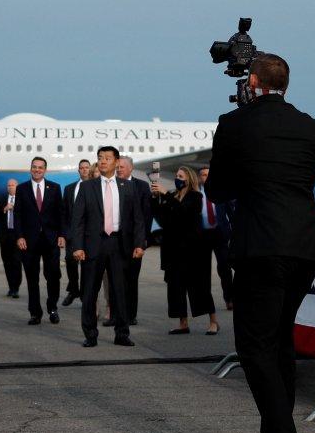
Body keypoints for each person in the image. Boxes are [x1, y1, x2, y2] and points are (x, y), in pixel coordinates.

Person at [205, 53, 315, 433]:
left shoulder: (234, 124)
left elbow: (219, 190)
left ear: (253, 81)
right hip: (305, 246)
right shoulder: (309, 126)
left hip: (261, 246)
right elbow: (301, 179)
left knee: (255, 348)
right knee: (279, 345)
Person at [70, 146, 146, 348]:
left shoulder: (128, 187)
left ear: (116, 161)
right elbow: (77, 220)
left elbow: (138, 219)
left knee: (120, 292)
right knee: (89, 292)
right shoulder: (88, 187)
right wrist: (77, 246)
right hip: (93, 245)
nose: (103, 161)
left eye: (107, 158)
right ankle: (90, 334)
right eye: (100, 158)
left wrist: (139, 243)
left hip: (120, 245)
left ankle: (122, 333)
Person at [151, 165, 219, 335]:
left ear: (188, 178)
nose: (177, 178)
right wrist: (156, 199)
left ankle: (213, 321)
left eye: (180, 176)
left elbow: (185, 213)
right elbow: (162, 218)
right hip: (173, 249)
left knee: (200, 286)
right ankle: (183, 323)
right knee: (176, 287)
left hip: (193, 249)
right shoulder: (173, 196)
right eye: (176, 175)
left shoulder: (195, 197)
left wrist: (167, 195)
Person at [13, 157, 65, 326]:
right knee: (32, 279)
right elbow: (18, 215)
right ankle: (35, 313)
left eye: (40, 168)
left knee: (53, 276)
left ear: (45, 170)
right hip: (29, 241)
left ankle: (52, 308)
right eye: (34, 167)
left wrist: (62, 235)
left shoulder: (55, 188)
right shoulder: (22, 189)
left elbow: (60, 214)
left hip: (50, 240)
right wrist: (19, 236)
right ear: (30, 169)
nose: (37, 170)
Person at [116, 156, 152, 326]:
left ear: (131, 168)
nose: (119, 169)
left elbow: (146, 215)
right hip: (114, 241)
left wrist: (142, 241)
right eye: (117, 167)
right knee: (117, 280)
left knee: (131, 280)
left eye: (122, 167)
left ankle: (130, 315)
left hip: (134, 242)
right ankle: (116, 315)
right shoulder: (111, 184)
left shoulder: (142, 187)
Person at [198, 164, 233, 310]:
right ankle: (203, 302)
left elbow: (231, 213)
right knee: (202, 270)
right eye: (204, 175)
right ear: (200, 177)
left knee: (224, 267)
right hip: (202, 235)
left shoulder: (221, 193)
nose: (206, 177)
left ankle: (229, 298)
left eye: (208, 174)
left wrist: (233, 232)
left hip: (219, 233)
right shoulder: (196, 193)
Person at [60, 159, 90, 307]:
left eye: (86, 168)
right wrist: (64, 234)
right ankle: (73, 289)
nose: (84, 170)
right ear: (78, 170)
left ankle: (85, 294)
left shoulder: (95, 187)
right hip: (73, 234)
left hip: (89, 235)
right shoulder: (69, 188)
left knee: (86, 266)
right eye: (82, 168)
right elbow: (64, 214)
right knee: (70, 261)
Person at [0, 179, 22, 298]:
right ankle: (11, 287)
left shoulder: (22, 198)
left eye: (12, 185)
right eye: (8, 185)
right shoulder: (2, 199)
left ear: (17, 187)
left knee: (16, 262)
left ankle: (16, 287)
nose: (10, 187)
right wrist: (4, 209)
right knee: (7, 262)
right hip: (5, 235)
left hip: (17, 235)